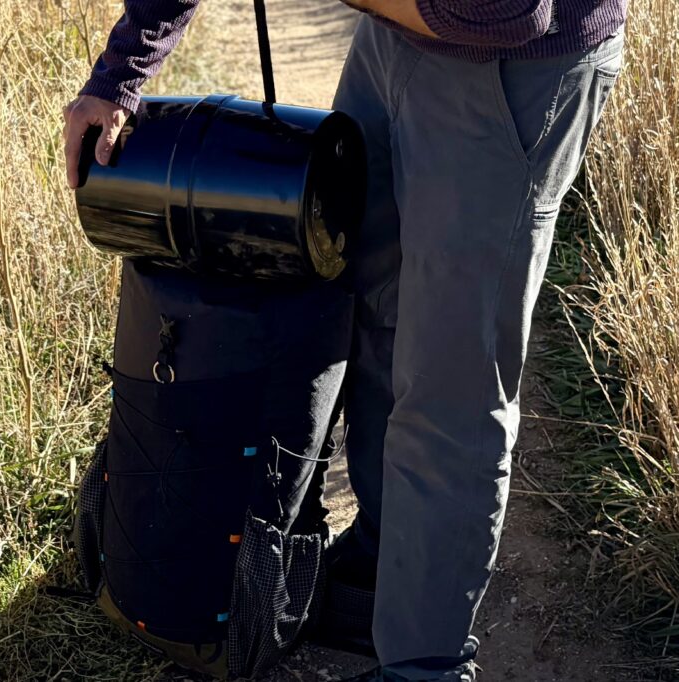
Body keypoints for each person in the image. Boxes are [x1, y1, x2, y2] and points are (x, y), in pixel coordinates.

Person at [62, 0, 627, 678]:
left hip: (508, 71)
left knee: (451, 388)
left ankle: (423, 665)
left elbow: (502, 13)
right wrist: (120, 73)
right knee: (367, 314)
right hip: (394, 38)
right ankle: (380, 576)